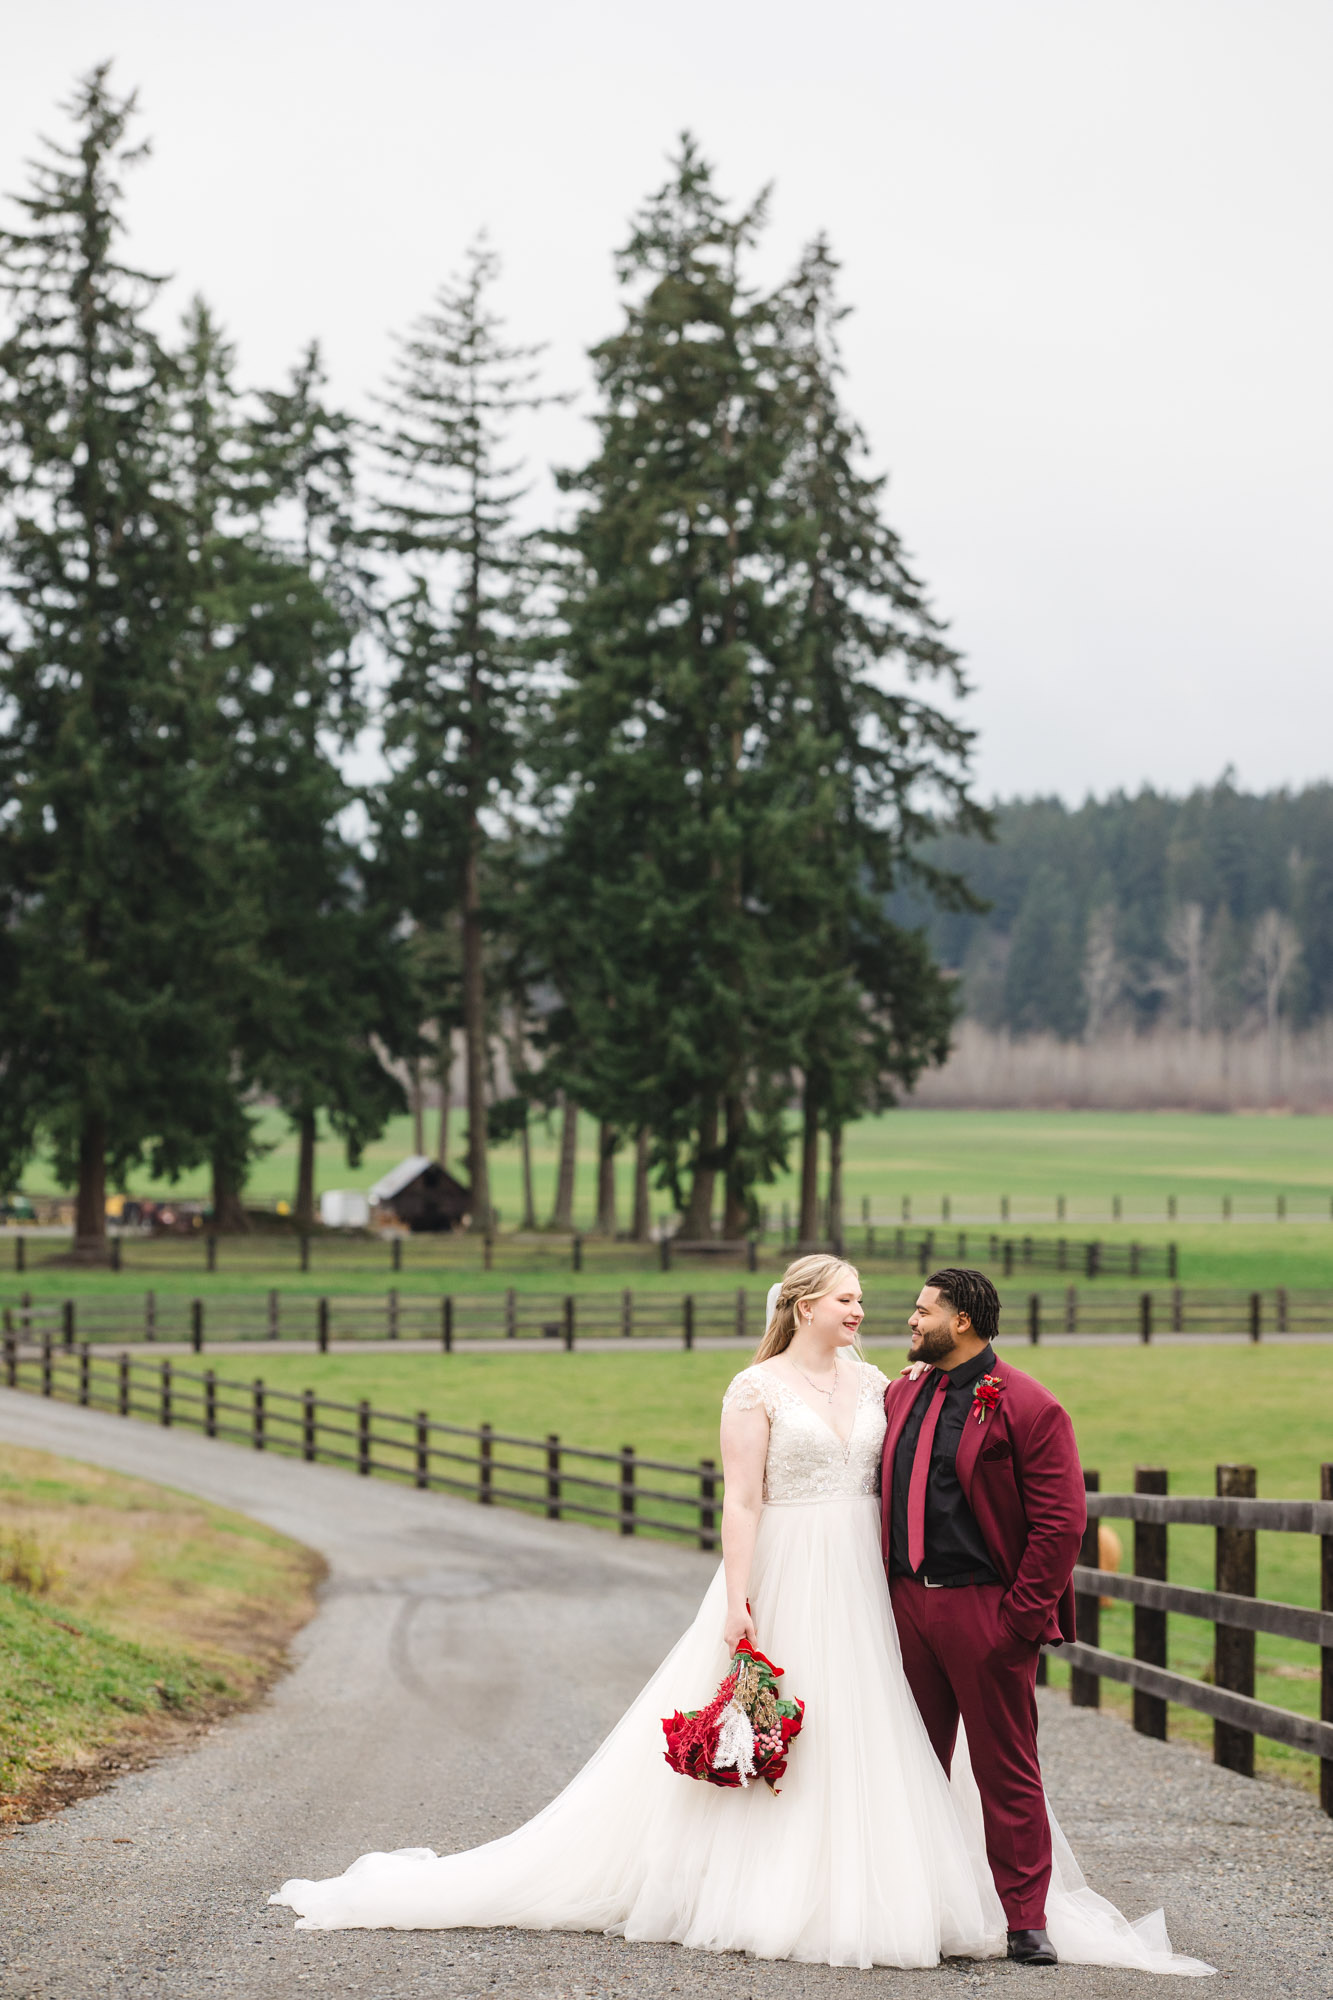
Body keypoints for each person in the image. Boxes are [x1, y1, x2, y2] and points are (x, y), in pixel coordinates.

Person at [271, 1255, 1212, 1975]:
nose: (869, 1310)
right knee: (822, 1732)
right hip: (812, 1574)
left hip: (888, 1587)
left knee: (908, 1743)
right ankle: (788, 1888)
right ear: (804, 1305)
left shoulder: (897, 1384)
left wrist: (1006, 1605)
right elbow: (743, 1502)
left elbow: (1000, 1498)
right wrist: (737, 1600)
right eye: (848, 1297)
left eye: (889, 1303)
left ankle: (974, 1906)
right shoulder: (776, 1389)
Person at [884, 1267, 1082, 1965]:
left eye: (921, 1310)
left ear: (959, 1321)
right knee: (909, 1762)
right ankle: (916, 1905)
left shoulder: (1028, 1405)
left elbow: (1060, 1524)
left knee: (1005, 1769)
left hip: (982, 1609)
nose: (910, 1321)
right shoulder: (900, 1395)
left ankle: (1024, 1919)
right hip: (904, 1605)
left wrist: (1018, 1622)